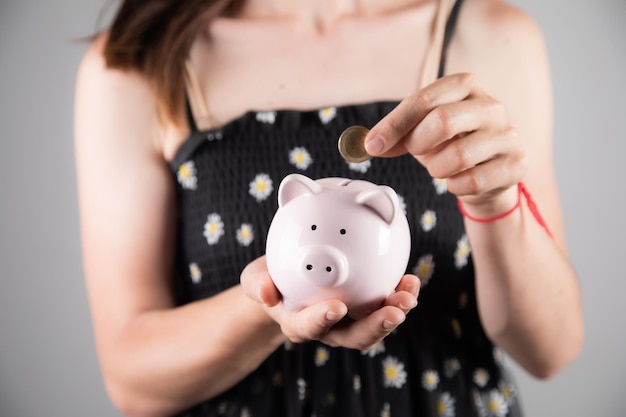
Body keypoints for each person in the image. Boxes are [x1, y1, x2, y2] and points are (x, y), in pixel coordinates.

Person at [73, 0, 584, 416]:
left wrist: (495, 201)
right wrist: (272, 309)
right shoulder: (139, 57)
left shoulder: (492, 35)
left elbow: (550, 349)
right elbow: (133, 379)